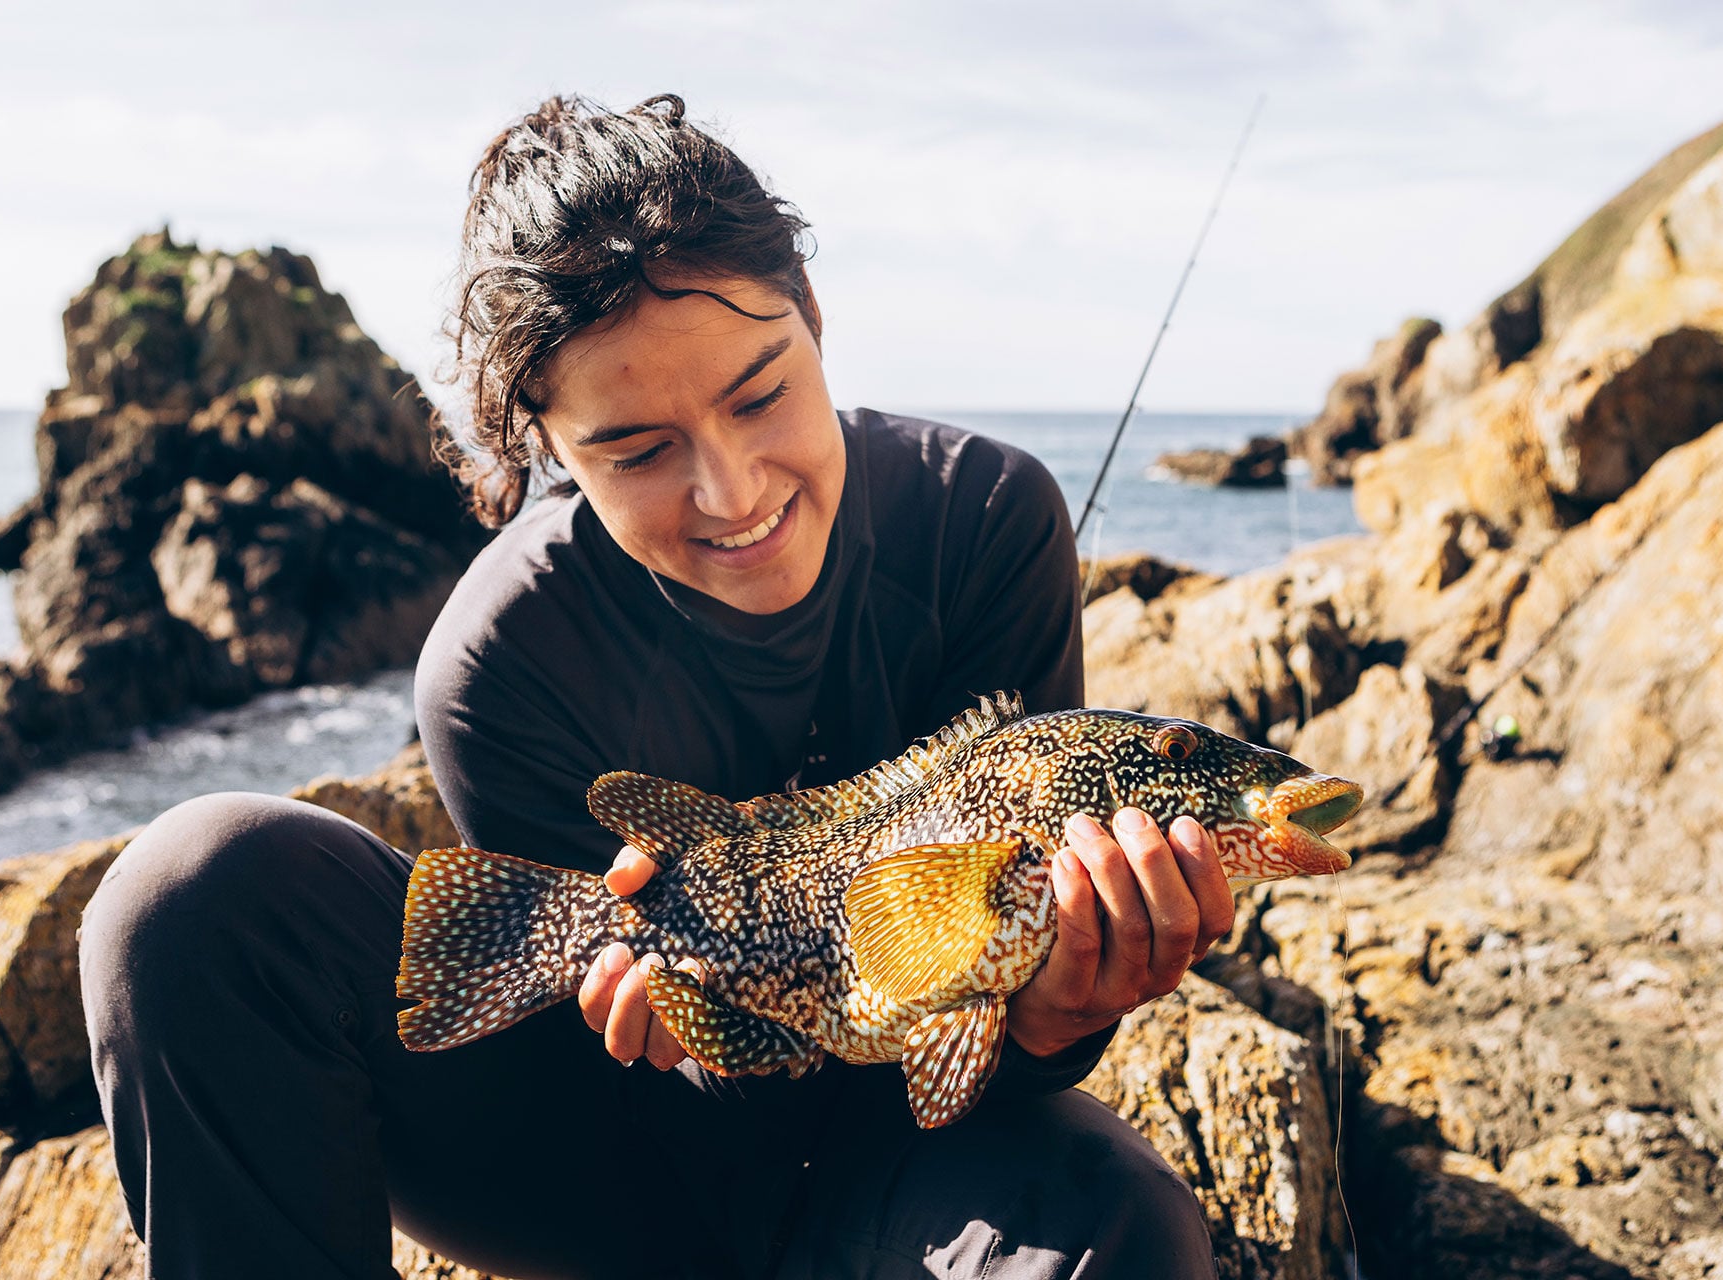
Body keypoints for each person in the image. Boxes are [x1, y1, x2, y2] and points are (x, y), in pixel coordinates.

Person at [80, 93, 1233, 1279]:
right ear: (546, 446)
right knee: (190, 890)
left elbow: (995, 1033)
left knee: (1128, 1232)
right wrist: (673, 1021)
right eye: (636, 451)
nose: (732, 490)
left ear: (815, 319)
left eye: (761, 392)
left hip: (912, 1151)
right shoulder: (497, 662)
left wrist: (1057, 1009)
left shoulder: (988, 519)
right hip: (615, 1163)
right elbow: (599, 1035)